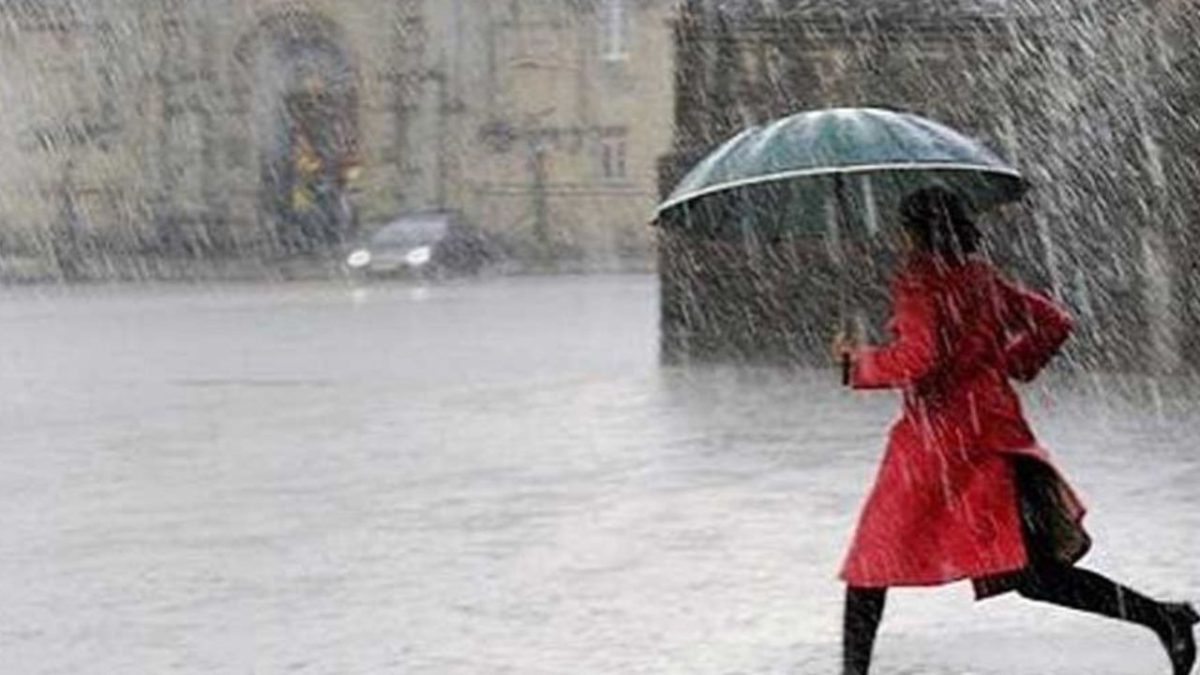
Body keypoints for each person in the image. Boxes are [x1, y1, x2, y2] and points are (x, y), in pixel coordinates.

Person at [832, 187, 1198, 675]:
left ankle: (852, 673)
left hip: (937, 446)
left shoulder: (920, 283)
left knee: (871, 560)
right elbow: (1053, 321)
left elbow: (919, 358)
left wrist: (856, 363)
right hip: (993, 436)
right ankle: (1163, 618)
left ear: (915, 232)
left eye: (904, 229)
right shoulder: (979, 279)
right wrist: (1009, 363)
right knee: (1031, 574)